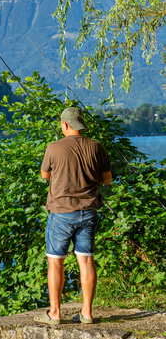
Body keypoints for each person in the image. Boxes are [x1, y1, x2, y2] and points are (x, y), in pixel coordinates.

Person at [35, 107, 112, 325]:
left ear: (65, 125)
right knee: (86, 260)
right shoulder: (97, 147)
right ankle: (86, 314)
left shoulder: (54, 147)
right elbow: (107, 180)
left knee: (55, 262)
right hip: (88, 212)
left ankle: (55, 314)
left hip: (60, 213)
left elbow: (44, 175)